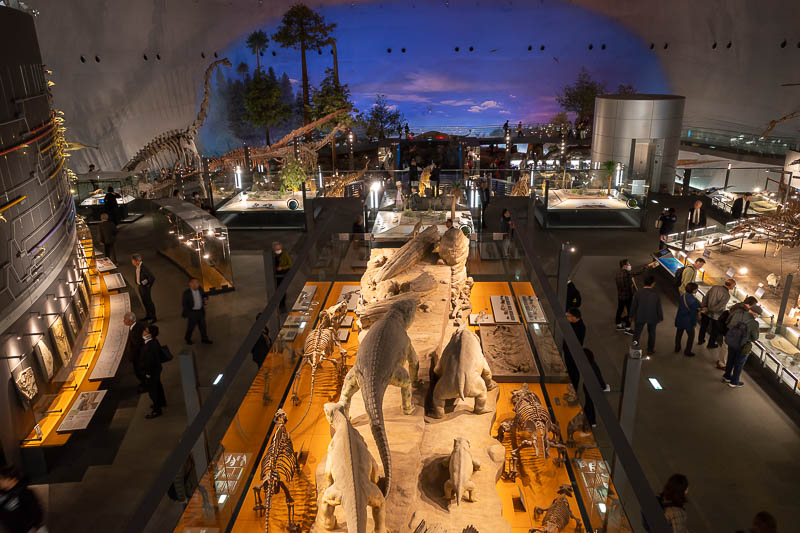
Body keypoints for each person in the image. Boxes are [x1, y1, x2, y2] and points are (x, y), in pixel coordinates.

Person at [723, 304, 761, 387]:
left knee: (730, 359)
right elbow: (755, 337)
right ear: (755, 314)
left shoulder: (738, 314)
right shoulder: (754, 323)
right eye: (758, 315)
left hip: (732, 341)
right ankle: (734, 382)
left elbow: (730, 325)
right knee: (739, 363)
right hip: (743, 345)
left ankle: (727, 376)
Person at [715, 295, 758, 369]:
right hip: (730, 331)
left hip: (727, 329)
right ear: (749, 305)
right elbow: (735, 322)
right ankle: (722, 364)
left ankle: (721, 361)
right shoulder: (742, 310)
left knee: (725, 346)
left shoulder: (738, 305)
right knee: (726, 347)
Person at [615, 258, 657, 333]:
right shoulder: (627, 274)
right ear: (624, 266)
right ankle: (628, 328)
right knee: (630, 312)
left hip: (620, 296)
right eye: (628, 264)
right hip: (628, 297)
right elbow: (638, 272)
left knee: (620, 310)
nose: (630, 265)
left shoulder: (617, 275)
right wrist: (648, 265)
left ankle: (618, 325)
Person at [0, 465, 45, 533]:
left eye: (2, 479)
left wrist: (35, 527)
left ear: (12, 480)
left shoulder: (25, 493)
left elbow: (36, 513)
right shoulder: (2, 492)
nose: (0, 481)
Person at [630, 275, 663, 356]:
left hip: (640, 315)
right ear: (653, 284)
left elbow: (634, 305)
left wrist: (631, 316)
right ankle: (650, 350)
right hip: (652, 316)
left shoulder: (638, 293)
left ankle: (634, 348)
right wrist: (660, 317)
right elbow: (658, 307)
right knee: (652, 333)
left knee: (637, 333)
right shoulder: (656, 294)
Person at [698, 278, 735, 348]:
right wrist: (709, 309)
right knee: (714, 331)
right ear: (731, 285)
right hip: (716, 316)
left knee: (703, 327)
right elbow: (719, 307)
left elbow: (705, 297)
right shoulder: (727, 295)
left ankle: (700, 340)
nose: (733, 287)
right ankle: (711, 344)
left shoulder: (714, 287)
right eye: (734, 285)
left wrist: (704, 307)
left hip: (706, 312)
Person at [141, 325, 166, 419]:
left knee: (152, 390)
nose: (143, 332)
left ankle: (156, 410)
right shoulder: (153, 341)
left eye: (146, 331)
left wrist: (147, 374)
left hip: (151, 371)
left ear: (150, 335)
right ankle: (161, 402)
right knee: (158, 385)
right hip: (157, 369)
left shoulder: (149, 346)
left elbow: (149, 361)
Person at [581, 348, 610, 427]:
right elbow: (599, 376)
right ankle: (591, 420)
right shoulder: (592, 365)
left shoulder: (590, 368)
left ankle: (590, 421)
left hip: (590, 387)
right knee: (589, 403)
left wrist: (603, 386)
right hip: (589, 386)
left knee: (589, 403)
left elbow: (598, 377)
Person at [182, 278, 212, 345]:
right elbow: (184, 304)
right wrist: (188, 314)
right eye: (193, 283)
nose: (196, 285)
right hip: (192, 313)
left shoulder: (200, 289)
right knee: (191, 327)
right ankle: (187, 338)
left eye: (197, 283)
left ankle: (204, 339)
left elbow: (205, 295)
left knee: (203, 327)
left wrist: (206, 299)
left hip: (201, 312)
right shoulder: (186, 293)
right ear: (190, 284)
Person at [123, 312, 147, 393]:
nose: (123, 321)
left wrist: (132, 355)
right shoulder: (137, 326)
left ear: (130, 321)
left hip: (139, 356)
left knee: (140, 371)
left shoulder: (136, 329)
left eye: (125, 319)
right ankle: (144, 383)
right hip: (139, 355)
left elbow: (137, 345)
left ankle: (145, 386)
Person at [675, 282, 701, 356]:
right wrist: (694, 323)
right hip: (688, 321)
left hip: (680, 318)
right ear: (693, 291)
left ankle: (677, 347)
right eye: (696, 289)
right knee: (691, 336)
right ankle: (687, 351)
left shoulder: (682, 296)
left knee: (679, 334)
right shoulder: (694, 301)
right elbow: (693, 314)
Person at [563, 308, 586, 390]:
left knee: (573, 370)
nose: (566, 317)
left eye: (568, 316)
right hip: (567, 350)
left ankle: (573, 388)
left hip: (573, 352)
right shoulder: (572, 323)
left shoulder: (580, 328)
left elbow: (577, 342)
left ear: (574, 317)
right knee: (569, 367)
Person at [131, 253, 157, 323]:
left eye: (133, 261)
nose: (132, 262)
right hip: (140, 287)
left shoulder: (144, 268)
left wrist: (144, 284)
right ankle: (148, 315)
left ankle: (154, 317)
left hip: (144, 288)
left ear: (137, 261)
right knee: (144, 302)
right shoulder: (137, 266)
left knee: (149, 302)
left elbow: (152, 278)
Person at [273, 241, 292, 312]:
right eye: (276, 249)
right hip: (275, 276)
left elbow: (289, 265)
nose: (278, 250)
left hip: (283, 275)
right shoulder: (273, 256)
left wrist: (282, 268)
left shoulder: (285, 255)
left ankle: (282, 305)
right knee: (277, 291)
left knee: (283, 291)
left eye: (279, 249)